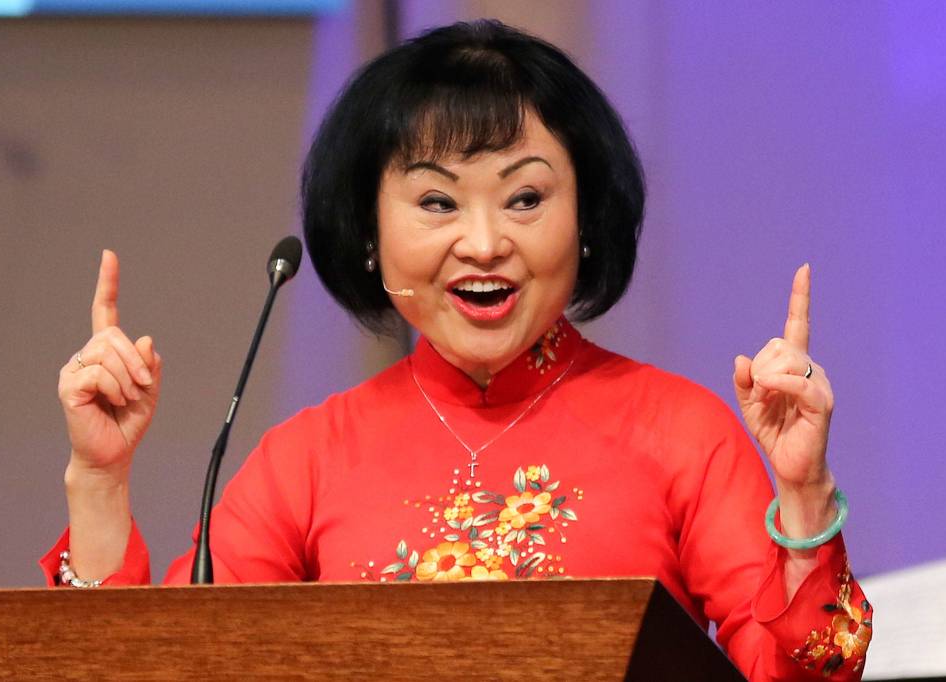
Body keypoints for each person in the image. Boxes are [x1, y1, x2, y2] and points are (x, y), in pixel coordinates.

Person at [43, 20, 872, 680]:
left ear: (586, 223)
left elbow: (799, 680)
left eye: (525, 198)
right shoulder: (309, 457)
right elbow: (160, 669)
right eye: (436, 200)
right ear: (370, 234)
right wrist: (101, 482)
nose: (483, 242)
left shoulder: (681, 433)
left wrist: (803, 496)